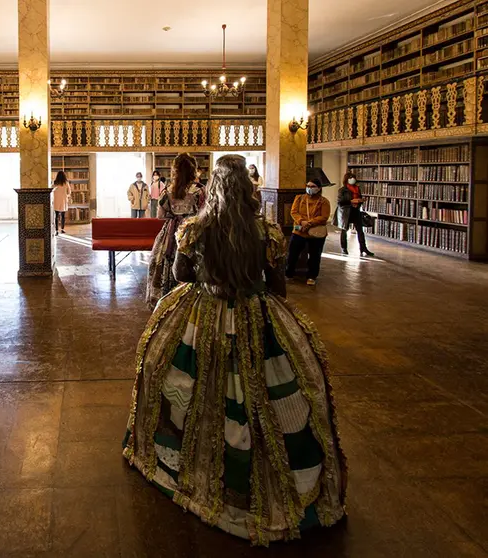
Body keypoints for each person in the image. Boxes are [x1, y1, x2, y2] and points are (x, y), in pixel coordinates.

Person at [123, 154, 346, 546]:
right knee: (268, 391)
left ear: (215, 188)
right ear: (247, 186)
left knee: (178, 379)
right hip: (256, 312)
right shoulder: (266, 231)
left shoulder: (197, 229)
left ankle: (190, 461)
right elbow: (278, 285)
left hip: (203, 311)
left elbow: (180, 276)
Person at [146, 153, 205, 309]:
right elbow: (206, 213)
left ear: (175, 171)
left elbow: (160, 216)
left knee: (166, 260)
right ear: (194, 170)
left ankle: (166, 299)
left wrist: (175, 215)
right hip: (195, 232)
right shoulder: (200, 191)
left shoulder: (167, 191)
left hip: (171, 233)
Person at [286, 178, 331, 286]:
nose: (309, 188)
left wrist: (309, 223)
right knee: (292, 253)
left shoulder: (324, 201)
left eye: (313, 186)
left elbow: (324, 217)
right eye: (308, 186)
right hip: (299, 230)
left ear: (319, 188)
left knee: (315, 256)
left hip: (315, 233)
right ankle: (289, 274)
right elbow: (294, 212)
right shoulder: (300, 198)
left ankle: (312, 276)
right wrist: (302, 222)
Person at [335, 171, 375, 257]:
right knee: (344, 231)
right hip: (346, 212)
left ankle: (363, 248)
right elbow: (340, 202)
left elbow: (359, 198)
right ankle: (344, 248)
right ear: (346, 179)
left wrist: (360, 201)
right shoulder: (342, 190)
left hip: (356, 211)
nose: (352, 179)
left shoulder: (357, 188)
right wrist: (351, 201)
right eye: (350, 178)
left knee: (360, 231)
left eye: (353, 177)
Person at [52, 170, 72, 235]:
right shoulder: (66, 182)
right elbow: (69, 192)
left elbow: (51, 190)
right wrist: (66, 195)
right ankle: (62, 229)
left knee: (56, 216)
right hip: (63, 200)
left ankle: (56, 230)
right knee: (63, 216)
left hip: (56, 201)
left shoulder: (55, 182)